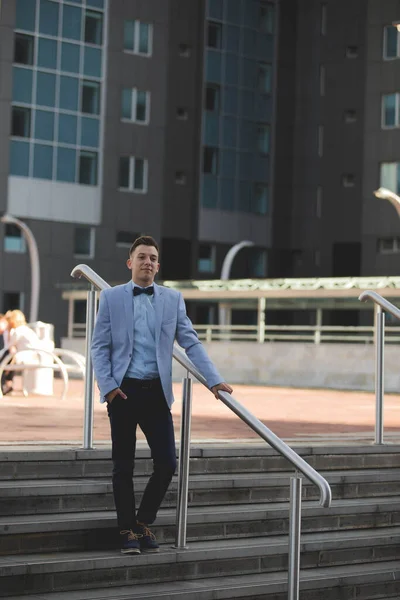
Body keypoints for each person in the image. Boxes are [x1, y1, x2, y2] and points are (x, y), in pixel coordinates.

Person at [91, 235, 233, 555]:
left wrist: (214, 380)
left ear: (158, 265)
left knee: (168, 462)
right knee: (123, 466)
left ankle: (143, 521)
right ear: (130, 262)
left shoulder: (172, 299)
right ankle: (126, 529)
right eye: (142, 257)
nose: (148, 263)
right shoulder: (112, 298)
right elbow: (99, 347)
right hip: (123, 392)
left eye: (153, 258)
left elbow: (191, 342)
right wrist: (109, 386)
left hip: (156, 393)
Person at [6, 310, 42, 394]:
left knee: (6, 359)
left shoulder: (17, 331)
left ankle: (6, 383)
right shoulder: (28, 330)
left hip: (25, 357)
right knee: (9, 360)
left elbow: (10, 346)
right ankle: (8, 383)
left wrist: (8, 331)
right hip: (35, 357)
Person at [0, 312, 13, 395]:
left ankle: (3, 386)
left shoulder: (9, 332)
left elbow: (11, 348)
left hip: (10, 355)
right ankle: (6, 385)